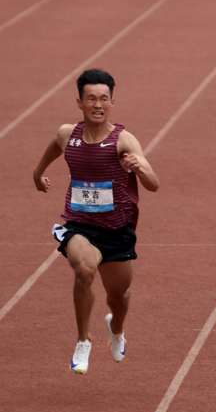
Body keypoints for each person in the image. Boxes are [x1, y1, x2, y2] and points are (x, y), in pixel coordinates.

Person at [33, 69, 160, 374]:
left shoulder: (123, 140)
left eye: (103, 98)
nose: (97, 104)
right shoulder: (68, 135)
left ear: (112, 103)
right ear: (80, 102)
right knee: (84, 270)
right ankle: (83, 340)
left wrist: (139, 168)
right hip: (80, 225)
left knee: (118, 297)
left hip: (116, 231)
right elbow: (54, 147)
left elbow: (154, 184)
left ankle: (116, 330)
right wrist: (37, 175)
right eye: (91, 98)